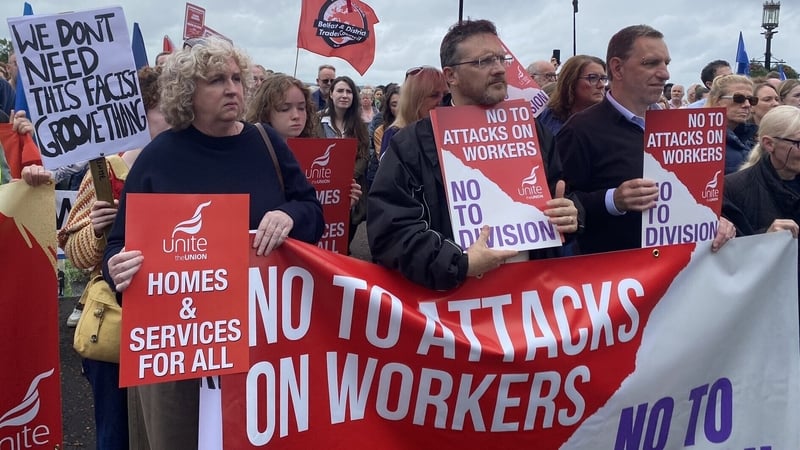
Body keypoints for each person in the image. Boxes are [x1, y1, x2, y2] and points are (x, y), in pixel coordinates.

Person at [102, 38, 324, 449]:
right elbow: (117, 244)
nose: (233, 89)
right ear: (188, 91)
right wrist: (117, 266)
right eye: (217, 80)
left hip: (260, 335)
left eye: (237, 78)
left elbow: (312, 211)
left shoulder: (266, 144)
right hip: (179, 346)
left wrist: (291, 214)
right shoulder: (159, 157)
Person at [368, 19, 580, 290]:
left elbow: (564, 195)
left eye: (501, 59)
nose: (499, 69)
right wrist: (460, 263)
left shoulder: (533, 130)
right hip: (454, 306)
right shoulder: (412, 143)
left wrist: (571, 214)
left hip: (530, 297)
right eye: (484, 62)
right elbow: (389, 232)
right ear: (450, 76)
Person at [55, 66, 167, 450]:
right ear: (141, 113)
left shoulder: (191, 165)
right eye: (165, 109)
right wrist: (100, 230)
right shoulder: (107, 171)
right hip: (120, 322)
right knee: (116, 433)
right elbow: (77, 254)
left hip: (180, 318)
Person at [557, 25, 734, 255]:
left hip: (686, 271)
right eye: (650, 63)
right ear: (618, 68)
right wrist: (613, 200)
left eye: (666, 63)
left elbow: (708, 194)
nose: (665, 74)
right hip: (619, 279)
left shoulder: (680, 127)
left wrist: (721, 220)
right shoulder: (580, 130)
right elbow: (562, 205)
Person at [244, 73, 361, 207]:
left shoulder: (315, 153)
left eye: (301, 108)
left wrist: (341, 201)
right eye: (285, 109)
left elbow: (316, 211)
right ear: (265, 112)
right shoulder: (251, 154)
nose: (296, 116)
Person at [722, 105, 800, 288]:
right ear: (769, 144)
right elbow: (727, 261)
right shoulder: (734, 188)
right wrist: (765, 239)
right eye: (798, 143)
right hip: (770, 298)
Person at [318, 75, 369, 248]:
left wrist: (346, 177)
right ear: (331, 94)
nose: (344, 95)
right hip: (321, 190)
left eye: (349, 91)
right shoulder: (316, 121)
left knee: (344, 242)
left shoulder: (359, 125)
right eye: (340, 90)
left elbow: (364, 155)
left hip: (350, 192)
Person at [537, 54, 607, 135]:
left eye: (603, 78)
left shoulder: (612, 121)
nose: (601, 85)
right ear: (571, 81)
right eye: (593, 78)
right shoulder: (547, 120)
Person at [705, 74, 758, 174]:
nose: (747, 105)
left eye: (751, 100)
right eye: (739, 98)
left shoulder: (750, 137)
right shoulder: (701, 142)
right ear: (717, 101)